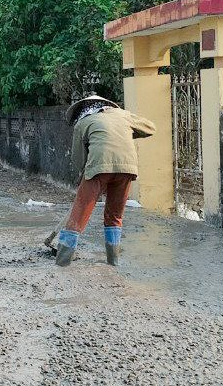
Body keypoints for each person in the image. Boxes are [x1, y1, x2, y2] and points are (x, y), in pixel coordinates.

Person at [50, 94, 156, 267]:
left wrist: (84, 177)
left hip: (99, 168)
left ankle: (62, 262)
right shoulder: (123, 115)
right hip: (127, 169)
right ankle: (113, 261)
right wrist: (124, 131)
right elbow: (150, 128)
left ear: (83, 111)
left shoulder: (83, 123)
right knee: (115, 215)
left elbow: (78, 159)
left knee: (79, 213)